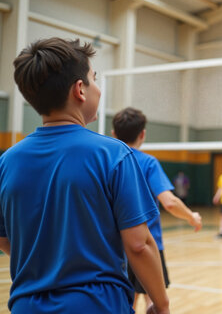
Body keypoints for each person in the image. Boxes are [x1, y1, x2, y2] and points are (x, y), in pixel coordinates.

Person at [0, 38, 169, 313]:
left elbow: (4, 239)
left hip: (25, 305)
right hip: (98, 305)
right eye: (94, 78)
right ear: (80, 89)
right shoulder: (114, 155)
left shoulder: (7, 161)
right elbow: (139, 244)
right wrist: (161, 304)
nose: (98, 89)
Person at [112, 107, 203, 310]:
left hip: (116, 247)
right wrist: (191, 216)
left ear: (113, 134)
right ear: (143, 134)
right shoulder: (148, 162)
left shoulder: (107, 161)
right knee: (154, 302)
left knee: (126, 302)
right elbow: (169, 202)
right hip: (147, 243)